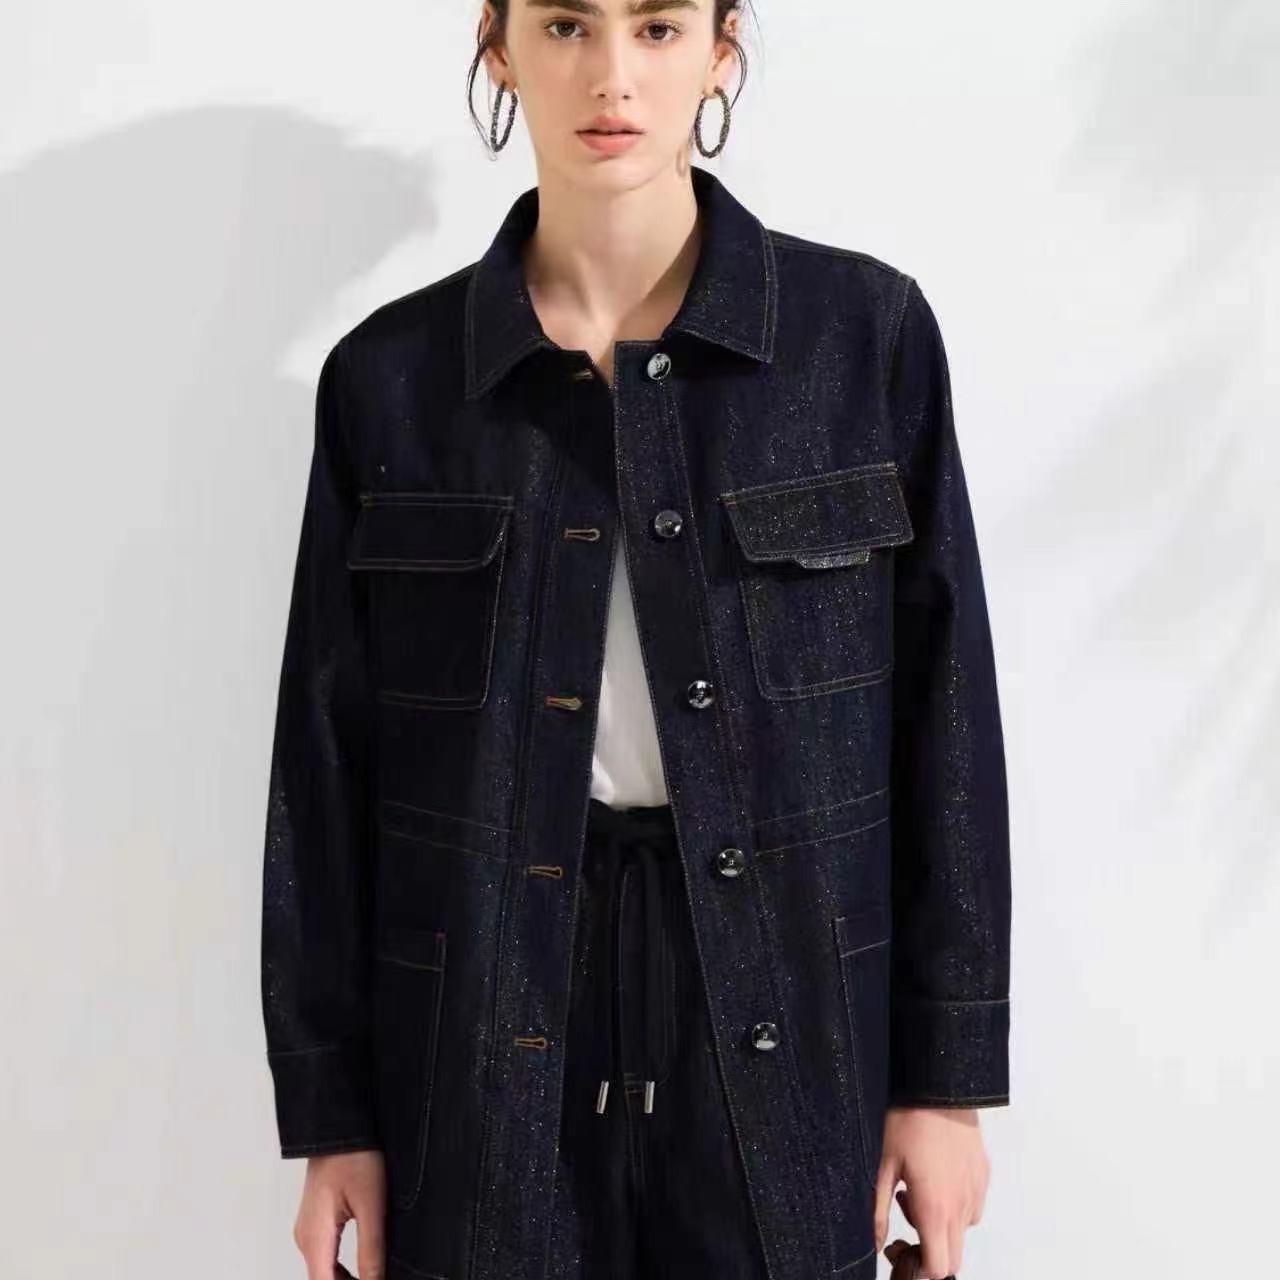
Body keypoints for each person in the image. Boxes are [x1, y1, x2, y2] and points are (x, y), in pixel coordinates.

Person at [259, 2, 1011, 1278]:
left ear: (721, 50)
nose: (610, 75)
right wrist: (335, 1114)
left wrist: (944, 1084)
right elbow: (323, 771)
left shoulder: (860, 340)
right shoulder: (390, 381)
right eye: (566, 25)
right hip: (479, 1029)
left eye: (656, 27)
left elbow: (946, 720)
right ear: (498, 48)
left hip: (789, 1020)